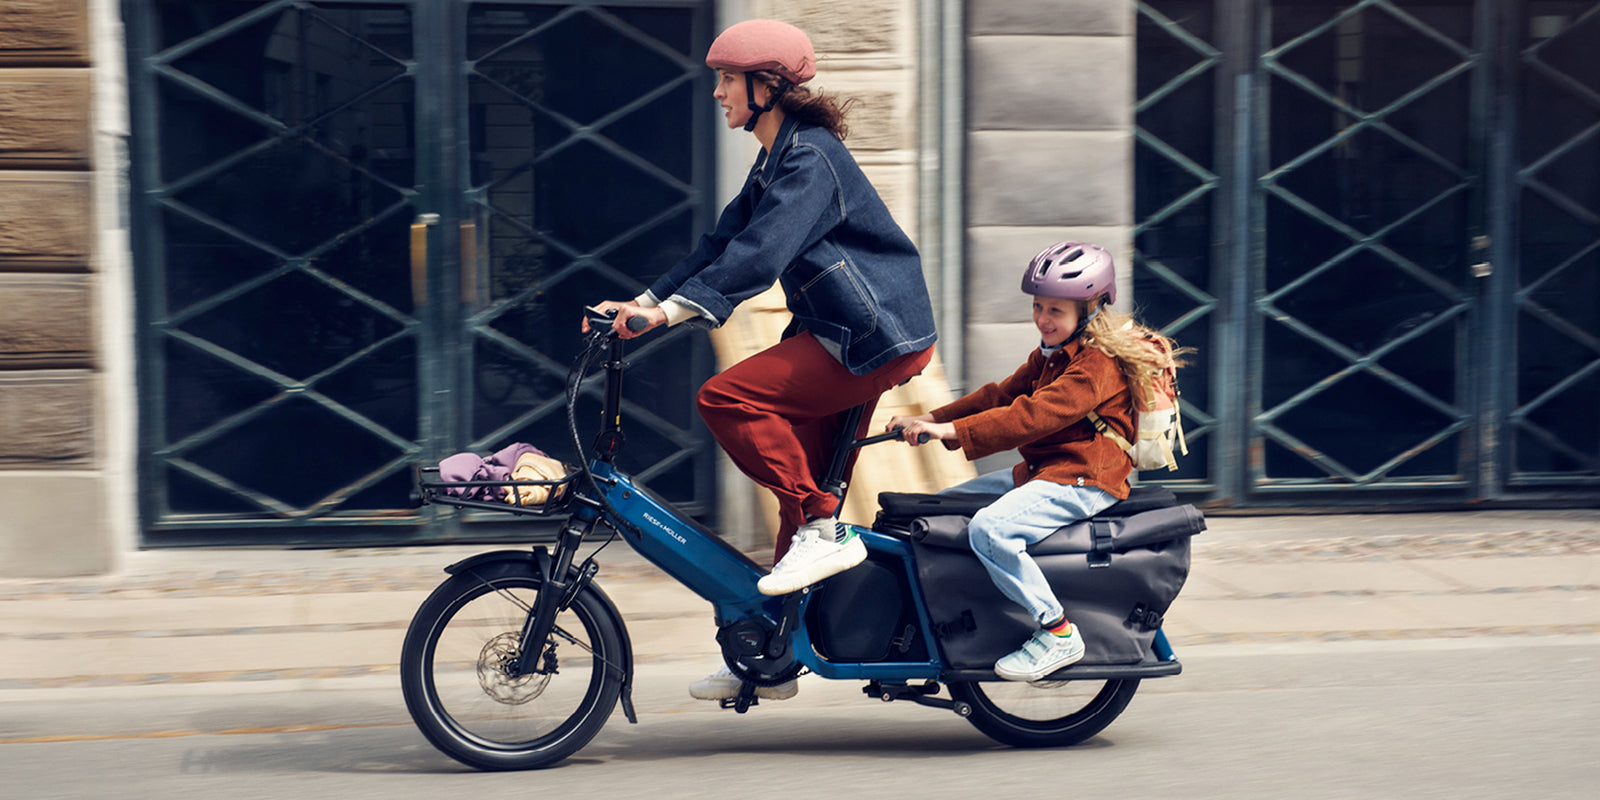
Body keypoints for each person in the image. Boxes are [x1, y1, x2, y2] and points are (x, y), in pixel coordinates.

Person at [584, 19, 937, 700]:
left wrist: (667, 314)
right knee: (791, 495)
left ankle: (825, 528)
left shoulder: (813, 159)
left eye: (726, 79)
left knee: (728, 399)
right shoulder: (778, 155)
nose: (717, 92)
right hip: (842, 331)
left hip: (873, 337)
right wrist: (641, 305)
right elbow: (720, 244)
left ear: (766, 86)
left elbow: (761, 253)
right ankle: (772, 654)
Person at [888, 241, 1186, 682]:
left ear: (1090, 311)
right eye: (1038, 307)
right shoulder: (1052, 355)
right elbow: (1001, 396)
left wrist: (953, 432)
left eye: (1056, 311)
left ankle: (1058, 632)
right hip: (1046, 472)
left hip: (1084, 478)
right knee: (944, 506)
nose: (1043, 320)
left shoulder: (1097, 364)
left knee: (991, 530)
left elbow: (1034, 415)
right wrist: (932, 417)